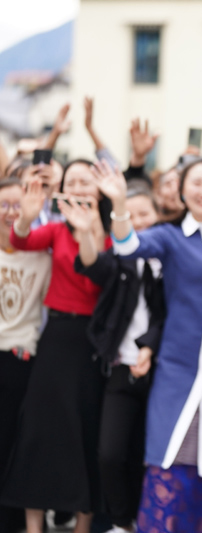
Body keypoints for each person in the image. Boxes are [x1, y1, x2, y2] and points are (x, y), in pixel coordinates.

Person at [100, 158, 202, 532]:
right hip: (177, 374)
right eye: (194, 183)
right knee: (171, 460)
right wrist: (120, 203)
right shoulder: (170, 237)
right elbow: (127, 246)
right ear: (180, 191)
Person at [0, 160, 112, 533]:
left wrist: (88, 233)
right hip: (55, 339)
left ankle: (82, 525)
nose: (79, 186)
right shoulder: (56, 230)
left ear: (99, 188)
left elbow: (96, 275)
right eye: (72, 180)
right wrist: (24, 218)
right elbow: (20, 240)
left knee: (85, 432)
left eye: (86, 181)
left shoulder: (113, 234)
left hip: (91, 343)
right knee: (37, 430)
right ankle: (35, 527)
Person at [70, 185, 165, 533]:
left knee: (146, 454)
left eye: (145, 215)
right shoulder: (121, 260)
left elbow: (167, 316)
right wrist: (84, 232)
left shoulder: (170, 260)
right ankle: (122, 522)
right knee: (109, 454)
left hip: (162, 373)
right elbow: (94, 264)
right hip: (121, 371)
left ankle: (146, 519)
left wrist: (149, 346)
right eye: (130, 215)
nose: (138, 222)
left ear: (158, 218)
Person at [0, 179, 51, 533]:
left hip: (20, 357)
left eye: (19, 205)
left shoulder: (44, 255)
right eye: (4, 204)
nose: (12, 213)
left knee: (9, 445)